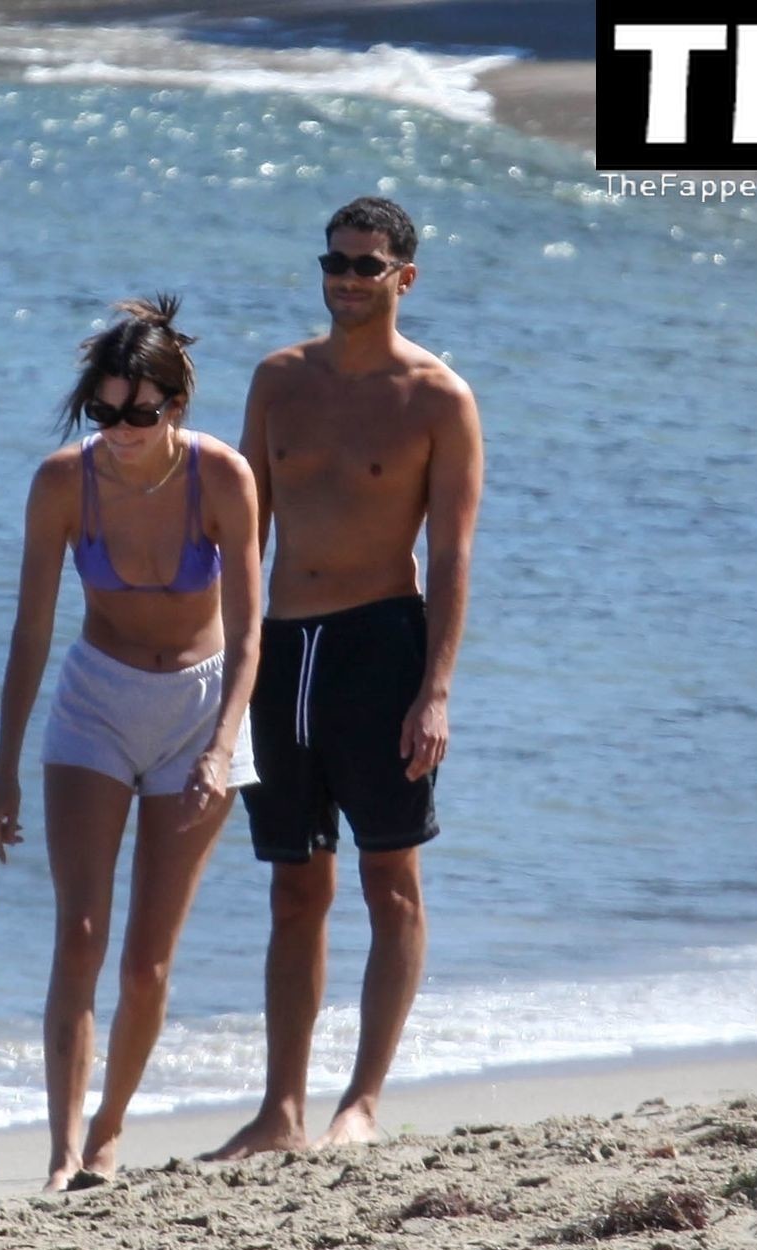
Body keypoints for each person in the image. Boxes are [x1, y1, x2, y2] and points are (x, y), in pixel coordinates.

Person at [205, 197, 484, 1159]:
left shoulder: (438, 398)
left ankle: (361, 1102)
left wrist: (435, 689)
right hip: (283, 651)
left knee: (388, 878)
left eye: (367, 265)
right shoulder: (279, 380)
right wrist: (223, 656)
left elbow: (451, 556)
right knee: (293, 887)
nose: (346, 278)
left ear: (405, 277)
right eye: (334, 261)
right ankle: (280, 1111)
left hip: (381, 646)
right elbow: (244, 533)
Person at [0, 296, 263, 1191]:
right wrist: (3, 768)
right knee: (81, 936)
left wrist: (222, 746)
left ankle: (108, 1134)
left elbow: (250, 634)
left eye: (139, 413)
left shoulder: (223, 478)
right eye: (103, 413)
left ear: (175, 404)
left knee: (146, 962)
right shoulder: (64, 483)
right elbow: (32, 630)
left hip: (201, 710)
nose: (120, 430)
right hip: (96, 704)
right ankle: (64, 1153)